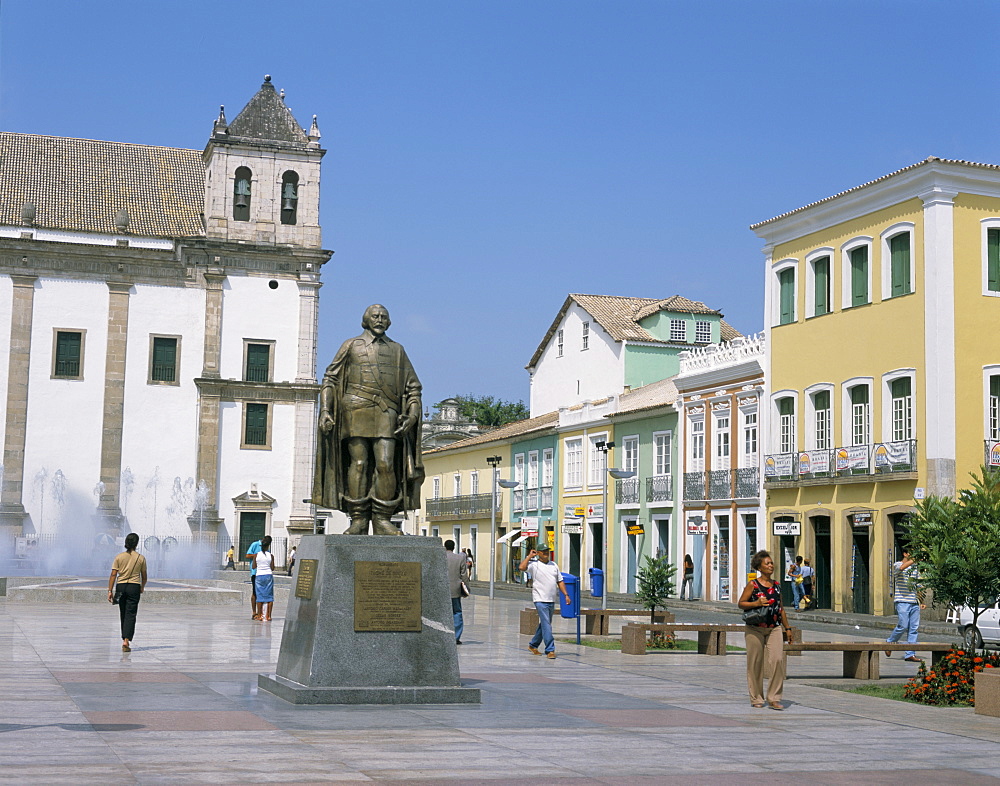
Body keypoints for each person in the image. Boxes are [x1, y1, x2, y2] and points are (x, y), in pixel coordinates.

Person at [312, 304, 424, 536]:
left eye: (384, 317)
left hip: (387, 414)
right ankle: (359, 519)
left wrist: (413, 415)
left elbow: (413, 388)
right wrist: (325, 410)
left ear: (389, 322)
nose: (380, 320)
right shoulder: (351, 345)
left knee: (385, 464)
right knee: (359, 464)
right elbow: (330, 379)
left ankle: (383, 519)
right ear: (366, 320)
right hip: (355, 409)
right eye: (375, 316)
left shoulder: (397, 350)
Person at [738, 550, 791, 710]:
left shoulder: (776, 586)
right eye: (767, 563)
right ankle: (756, 698)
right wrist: (756, 603)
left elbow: (781, 608)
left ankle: (774, 698)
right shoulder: (752, 585)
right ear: (759, 567)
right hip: (755, 628)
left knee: (777, 660)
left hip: (774, 628)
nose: (771, 565)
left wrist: (787, 628)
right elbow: (741, 603)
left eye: (771, 563)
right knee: (755, 663)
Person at [519, 546, 570, 659]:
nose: (546, 553)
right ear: (538, 553)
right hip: (540, 599)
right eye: (543, 551)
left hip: (551, 599)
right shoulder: (534, 565)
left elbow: (560, 581)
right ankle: (550, 650)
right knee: (547, 624)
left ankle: (533, 645)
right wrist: (529, 556)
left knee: (544, 624)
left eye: (547, 551)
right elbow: (521, 567)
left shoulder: (554, 565)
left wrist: (566, 595)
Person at [107, 533, 148, 653]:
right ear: (136, 543)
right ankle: (126, 640)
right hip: (134, 587)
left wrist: (110, 591)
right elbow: (144, 577)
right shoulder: (141, 558)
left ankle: (124, 637)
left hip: (121, 587)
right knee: (131, 614)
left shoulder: (119, 557)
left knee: (123, 612)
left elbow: (113, 574)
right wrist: (142, 587)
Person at [885, 547, 926, 662]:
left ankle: (910, 654)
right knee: (903, 625)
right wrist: (916, 559)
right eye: (912, 553)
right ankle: (889, 642)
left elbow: (917, 585)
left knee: (914, 628)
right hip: (902, 601)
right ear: (905, 554)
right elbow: (902, 567)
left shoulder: (915, 568)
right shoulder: (897, 565)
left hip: (914, 602)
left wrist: (921, 601)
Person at [445, 540, 469, 644]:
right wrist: (467, 588)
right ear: (454, 547)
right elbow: (464, 575)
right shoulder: (460, 558)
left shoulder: (441, 557)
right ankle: (456, 637)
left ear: (444, 547)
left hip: (443, 589)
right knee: (457, 612)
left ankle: (444, 635)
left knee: (444, 612)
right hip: (455, 589)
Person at [254, 535, 275, 622]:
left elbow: (254, 566)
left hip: (259, 575)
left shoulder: (256, 555)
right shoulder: (271, 555)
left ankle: (259, 615)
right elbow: (272, 568)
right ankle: (268, 616)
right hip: (268, 575)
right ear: (268, 546)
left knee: (259, 596)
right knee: (269, 596)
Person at [245, 537, 262, 620]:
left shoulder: (267, 548)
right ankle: (254, 612)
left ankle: (260, 613)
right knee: (255, 592)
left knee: (262, 593)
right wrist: (256, 555)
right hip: (255, 572)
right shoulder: (255, 544)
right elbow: (247, 555)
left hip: (263, 573)